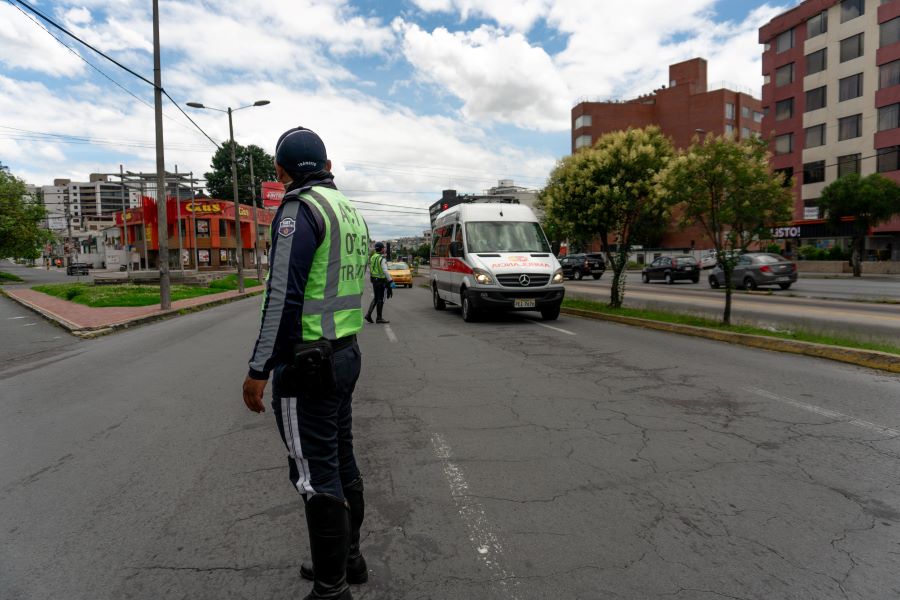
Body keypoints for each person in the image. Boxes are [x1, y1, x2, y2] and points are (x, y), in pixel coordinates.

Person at [242, 126, 370, 600]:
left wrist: (259, 368)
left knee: (316, 474)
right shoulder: (348, 210)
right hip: (345, 352)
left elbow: (282, 297)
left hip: (307, 363)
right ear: (328, 166)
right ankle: (348, 561)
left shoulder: (298, 211)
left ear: (280, 172)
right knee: (341, 458)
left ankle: (330, 589)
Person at [364, 242, 394, 324]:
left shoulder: (373, 257)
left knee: (376, 298)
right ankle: (379, 318)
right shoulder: (382, 258)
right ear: (381, 249)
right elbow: (385, 271)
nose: (384, 249)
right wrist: (391, 281)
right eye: (383, 248)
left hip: (374, 280)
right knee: (380, 299)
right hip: (381, 281)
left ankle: (368, 315)